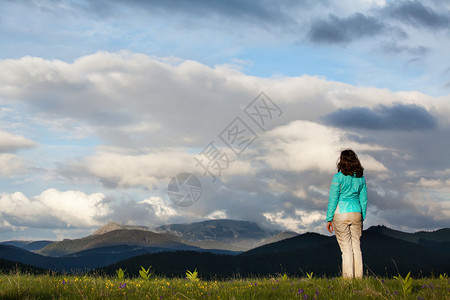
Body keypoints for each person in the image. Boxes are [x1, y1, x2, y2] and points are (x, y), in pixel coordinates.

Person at [326, 149, 367, 279]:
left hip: (341, 213)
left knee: (346, 249)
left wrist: (329, 218)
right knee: (356, 247)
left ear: (341, 161)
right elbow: (364, 199)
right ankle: (359, 279)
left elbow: (333, 198)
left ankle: (348, 281)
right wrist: (362, 217)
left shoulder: (338, 177)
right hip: (357, 213)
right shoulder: (361, 178)